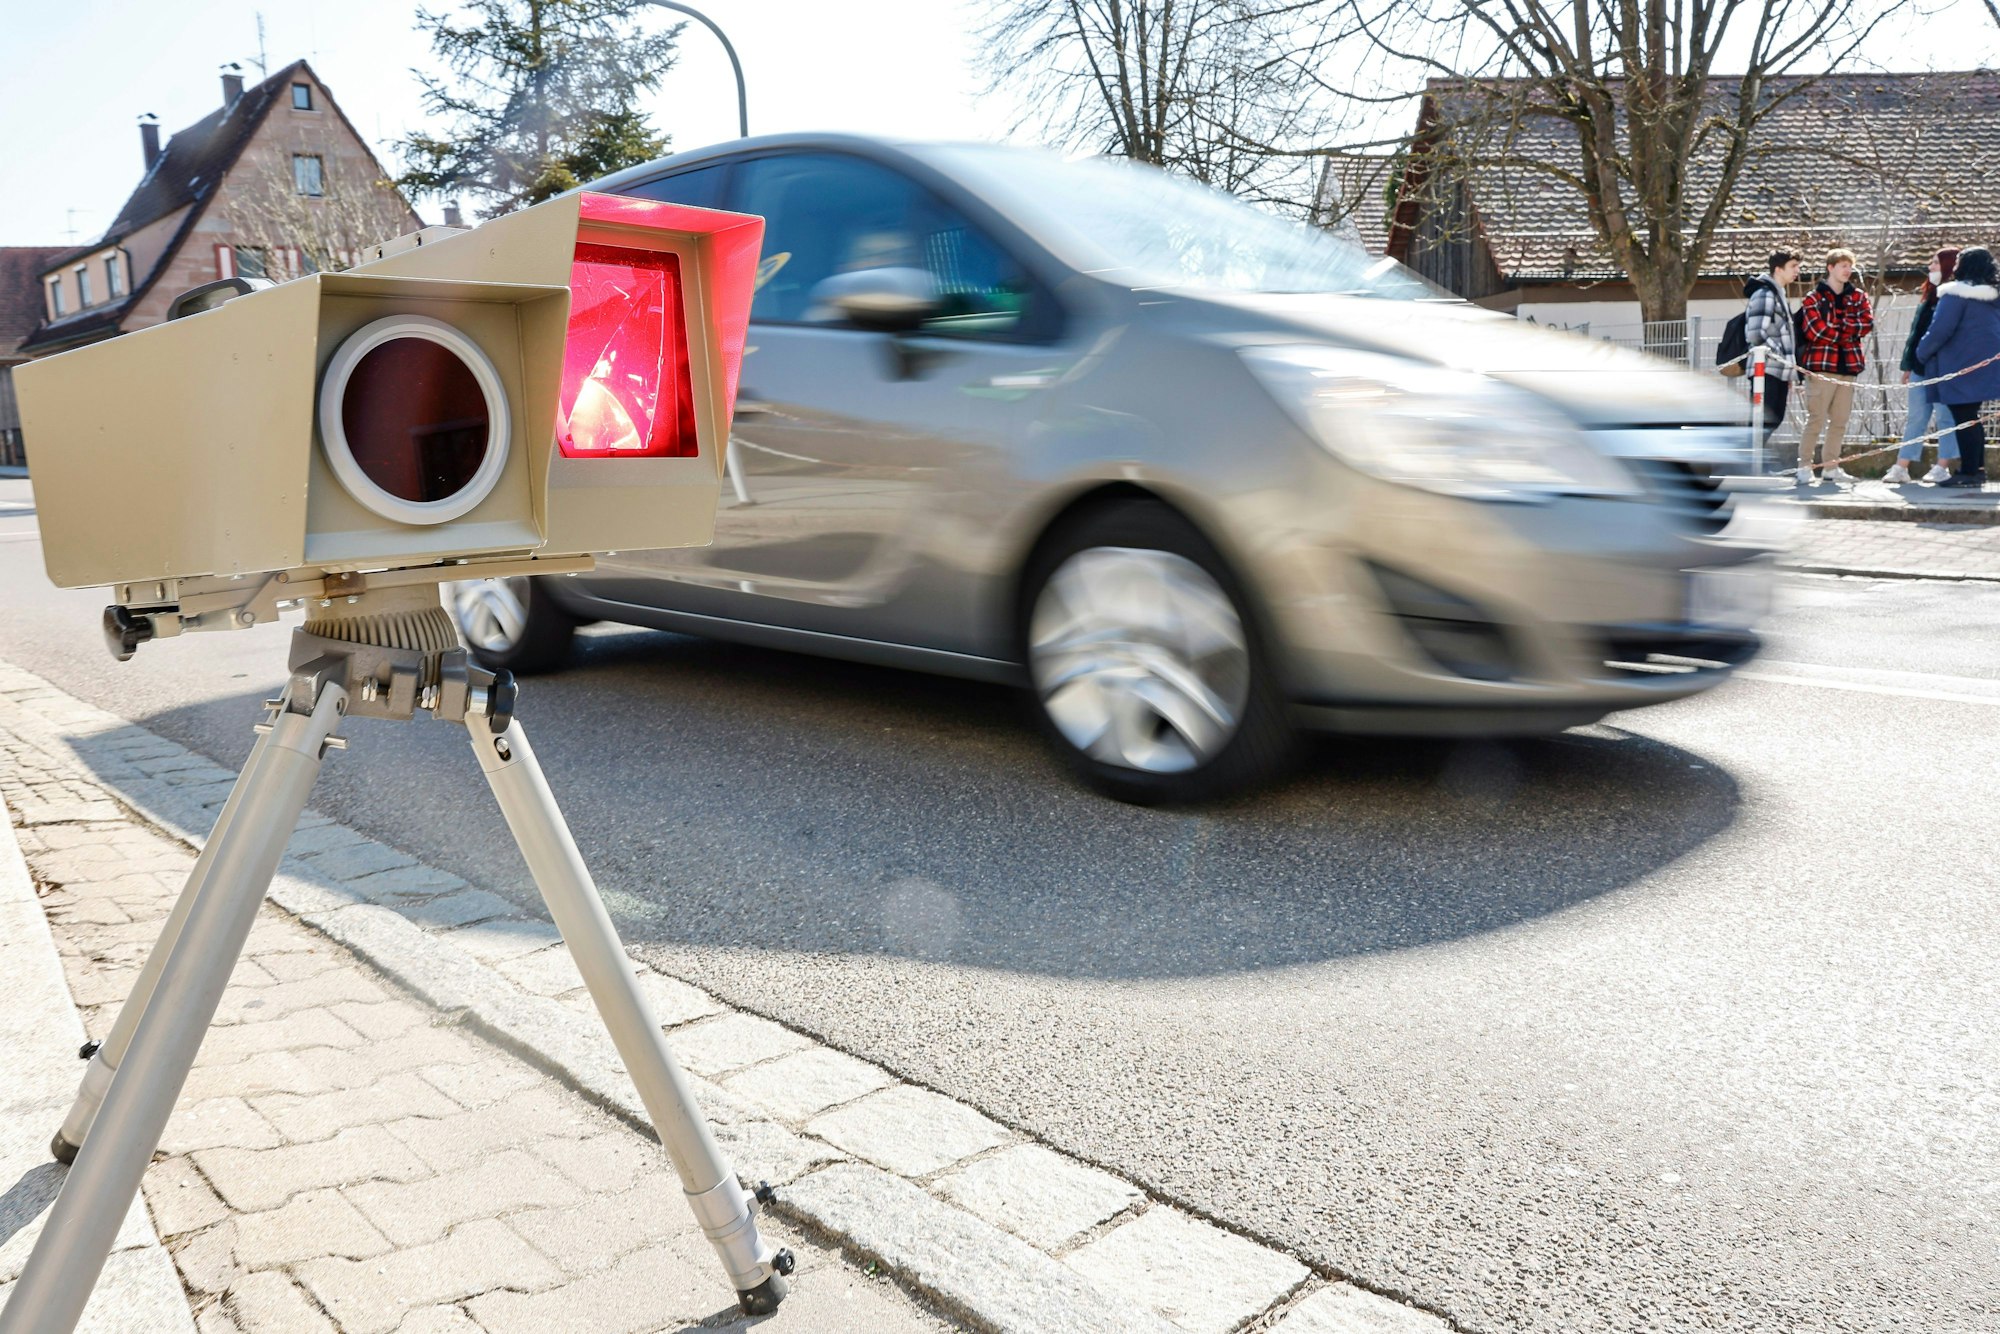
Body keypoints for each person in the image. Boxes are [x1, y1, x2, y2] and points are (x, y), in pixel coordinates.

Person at [1914, 245, 2000, 489]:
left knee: (1964, 418)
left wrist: (1921, 353)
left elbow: (1940, 330)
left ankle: (1970, 472)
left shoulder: (1954, 295)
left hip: (1959, 366)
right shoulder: (1993, 298)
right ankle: (1977, 469)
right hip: (1986, 367)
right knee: (1972, 418)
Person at [1795, 248, 1876, 484]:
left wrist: (1838, 328)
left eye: (1850, 266)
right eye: (1843, 265)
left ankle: (1831, 466)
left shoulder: (1859, 296)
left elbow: (1866, 324)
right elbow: (1814, 331)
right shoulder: (1813, 298)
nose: (1847, 270)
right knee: (1816, 418)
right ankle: (1804, 467)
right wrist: (1846, 331)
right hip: (1821, 366)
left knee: (1840, 420)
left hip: (1848, 366)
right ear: (1830, 267)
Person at [1884, 248, 1962, 485]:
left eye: (1936, 263)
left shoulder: (1956, 297)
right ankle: (1901, 466)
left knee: (1946, 417)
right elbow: (1916, 334)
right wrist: (1909, 365)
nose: (1930, 267)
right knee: (1916, 417)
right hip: (1921, 368)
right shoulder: (1928, 297)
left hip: (1945, 369)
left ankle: (1942, 466)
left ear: (1948, 267)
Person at [1742, 251, 1801, 443]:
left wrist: (1788, 369)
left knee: (1772, 418)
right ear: (1778, 269)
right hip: (1765, 368)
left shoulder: (1779, 295)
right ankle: (1747, 464)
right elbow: (1755, 334)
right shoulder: (1765, 294)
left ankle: (1751, 463)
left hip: (1777, 370)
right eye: (1793, 266)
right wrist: (1778, 357)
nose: (1797, 271)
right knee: (1762, 420)